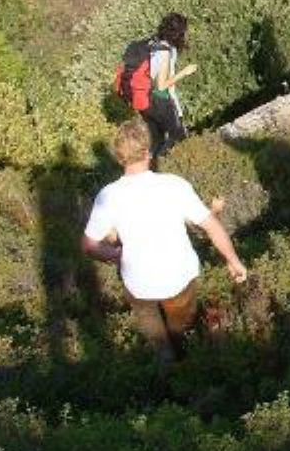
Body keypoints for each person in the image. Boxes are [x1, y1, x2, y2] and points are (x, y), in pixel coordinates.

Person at [82, 118, 248, 362]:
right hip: (178, 278)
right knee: (180, 326)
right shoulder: (174, 185)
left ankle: (165, 360)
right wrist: (233, 261)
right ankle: (186, 357)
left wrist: (114, 256)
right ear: (148, 152)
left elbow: (88, 245)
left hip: (138, 284)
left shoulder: (108, 196)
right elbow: (211, 226)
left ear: (119, 158)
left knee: (154, 332)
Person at [143, 12, 197, 160]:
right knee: (179, 138)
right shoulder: (164, 52)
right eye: (184, 32)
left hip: (148, 100)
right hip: (161, 99)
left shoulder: (153, 43)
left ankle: (151, 168)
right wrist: (184, 72)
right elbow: (161, 86)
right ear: (177, 34)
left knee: (158, 141)